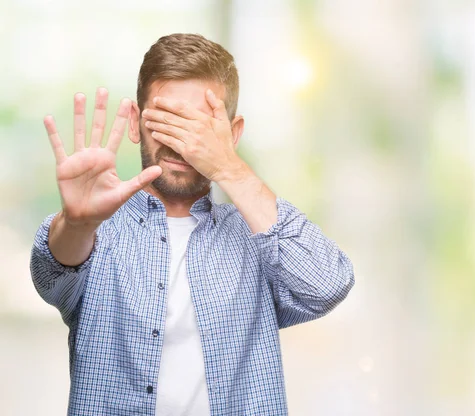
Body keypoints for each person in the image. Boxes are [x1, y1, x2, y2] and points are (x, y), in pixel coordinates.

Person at [30, 33, 354, 416]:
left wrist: (229, 167)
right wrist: (78, 223)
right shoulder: (97, 232)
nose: (182, 144)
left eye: (199, 129)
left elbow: (327, 285)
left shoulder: (258, 238)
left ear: (231, 135)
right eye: (167, 122)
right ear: (135, 122)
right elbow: (50, 275)